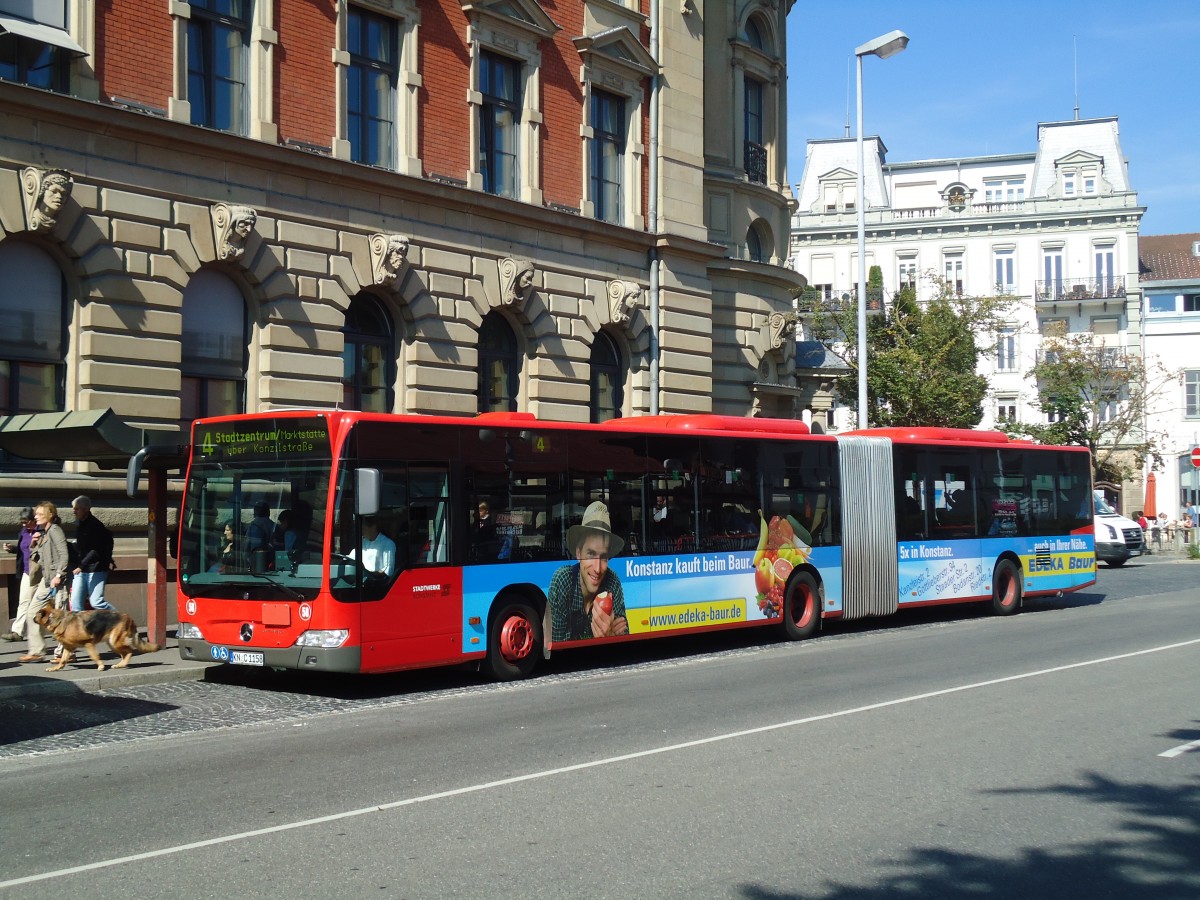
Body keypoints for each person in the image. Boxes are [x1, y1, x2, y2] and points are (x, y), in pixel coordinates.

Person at [547, 501, 629, 642]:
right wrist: (604, 639)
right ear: (578, 553)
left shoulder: (613, 581)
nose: (597, 569)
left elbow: (625, 640)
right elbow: (556, 646)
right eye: (590, 554)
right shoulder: (563, 581)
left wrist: (610, 639)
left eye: (603, 557)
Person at [21, 502, 70, 663]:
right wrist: (34, 544)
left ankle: (65, 653)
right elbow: (39, 558)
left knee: (61, 618)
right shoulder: (43, 533)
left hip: (58, 581)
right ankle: (37, 651)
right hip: (46, 580)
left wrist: (59, 574)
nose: (35, 516)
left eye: (39, 514)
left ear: (49, 515)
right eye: (35, 514)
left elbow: (64, 555)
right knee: (32, 613)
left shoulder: (55, 531)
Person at [1, 508, 42, 642]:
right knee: (23, 601)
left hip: (39, 572)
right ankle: (17, 632)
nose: (24, 524)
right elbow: (22, 549)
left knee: (38, 604)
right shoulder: (24, 532)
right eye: (22, 522)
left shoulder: (41, 531)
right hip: (26, 571)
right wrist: (12, 548)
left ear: (33, 520)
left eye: (26, 522)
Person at [69, 495, 115, 612]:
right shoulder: (79, 524)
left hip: (96, 569)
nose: (74, 511)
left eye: (77, 509)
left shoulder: (96, 526)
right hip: (81, 569)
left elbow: (95, 550)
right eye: (73, 508)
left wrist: (81, 565)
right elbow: (80, 547)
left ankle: (119, 618)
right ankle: (80, 630)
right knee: (75, 604)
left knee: (96, 602)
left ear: (86, 509)